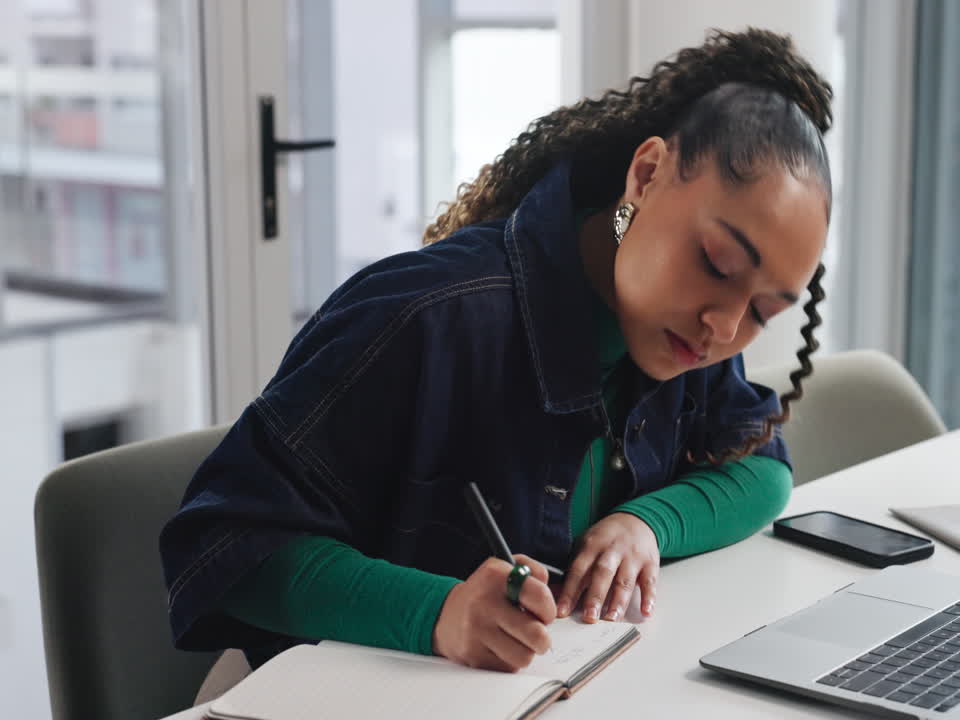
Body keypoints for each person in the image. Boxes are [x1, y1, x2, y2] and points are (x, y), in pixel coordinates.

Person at [160, 27, 832, 674]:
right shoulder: (423, 318)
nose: (726, 324)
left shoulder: (689, 333)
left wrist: (645, 524)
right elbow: (224, 543)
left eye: (766, 309)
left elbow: (763, 470)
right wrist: (438, 611)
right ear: (647, 174)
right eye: (715, 262)